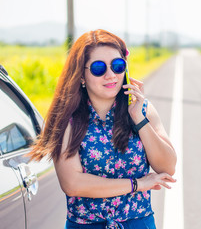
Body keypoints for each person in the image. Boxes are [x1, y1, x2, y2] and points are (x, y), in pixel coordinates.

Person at [28, 29, 177, 229]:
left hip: (139, 224)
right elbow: (72, 184)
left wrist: (139, 119)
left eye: (117, 66)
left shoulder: (142, 109)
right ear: (81, 74)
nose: (110, 75)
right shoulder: (66, 118)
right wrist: (138, 184)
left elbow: (167, 168)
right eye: (99, 68)